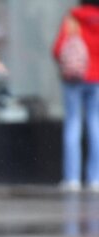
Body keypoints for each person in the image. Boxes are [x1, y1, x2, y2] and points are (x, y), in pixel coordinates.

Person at [53, 0, 99, 192]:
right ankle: (95, 178)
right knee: (95, 123)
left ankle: (72, 178)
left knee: (73, 123)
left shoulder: (73, 16)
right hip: (96, 78)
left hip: (74, 78)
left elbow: (58, 49)